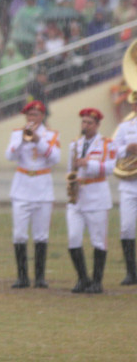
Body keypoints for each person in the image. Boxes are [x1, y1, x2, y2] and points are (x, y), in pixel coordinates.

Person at [5, 100, 60, 288]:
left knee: (41, 235)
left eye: (35, 115)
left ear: (42, 116)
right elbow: (9, 156)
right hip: (22, 186)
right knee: (19, 234)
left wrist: (39, 141)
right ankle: (22, 276)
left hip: (42, 187)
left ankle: (40, 277)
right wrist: (22, 140)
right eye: (29, 115)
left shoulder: (51, 135)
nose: (31, 118)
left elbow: (55, 158)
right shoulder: (16, 133)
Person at [65, 107, 116, 294]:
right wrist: (71, 183)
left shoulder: (106, 144)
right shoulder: (75, 144)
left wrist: (89, 164)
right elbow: (70, 169)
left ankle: (97, 281)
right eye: (83, 122)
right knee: (73, 238)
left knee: (98, 240)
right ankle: (82, 278)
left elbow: (111, 167)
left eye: (89, 123)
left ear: (97, 125)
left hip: (97, 196)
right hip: (78, 197)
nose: (85, 126)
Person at [113, 96, 137, 286]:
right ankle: (131, 272)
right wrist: (127, 149)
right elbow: (113, 150)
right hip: (129, 185)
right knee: (127, 228)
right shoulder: (125, 126)